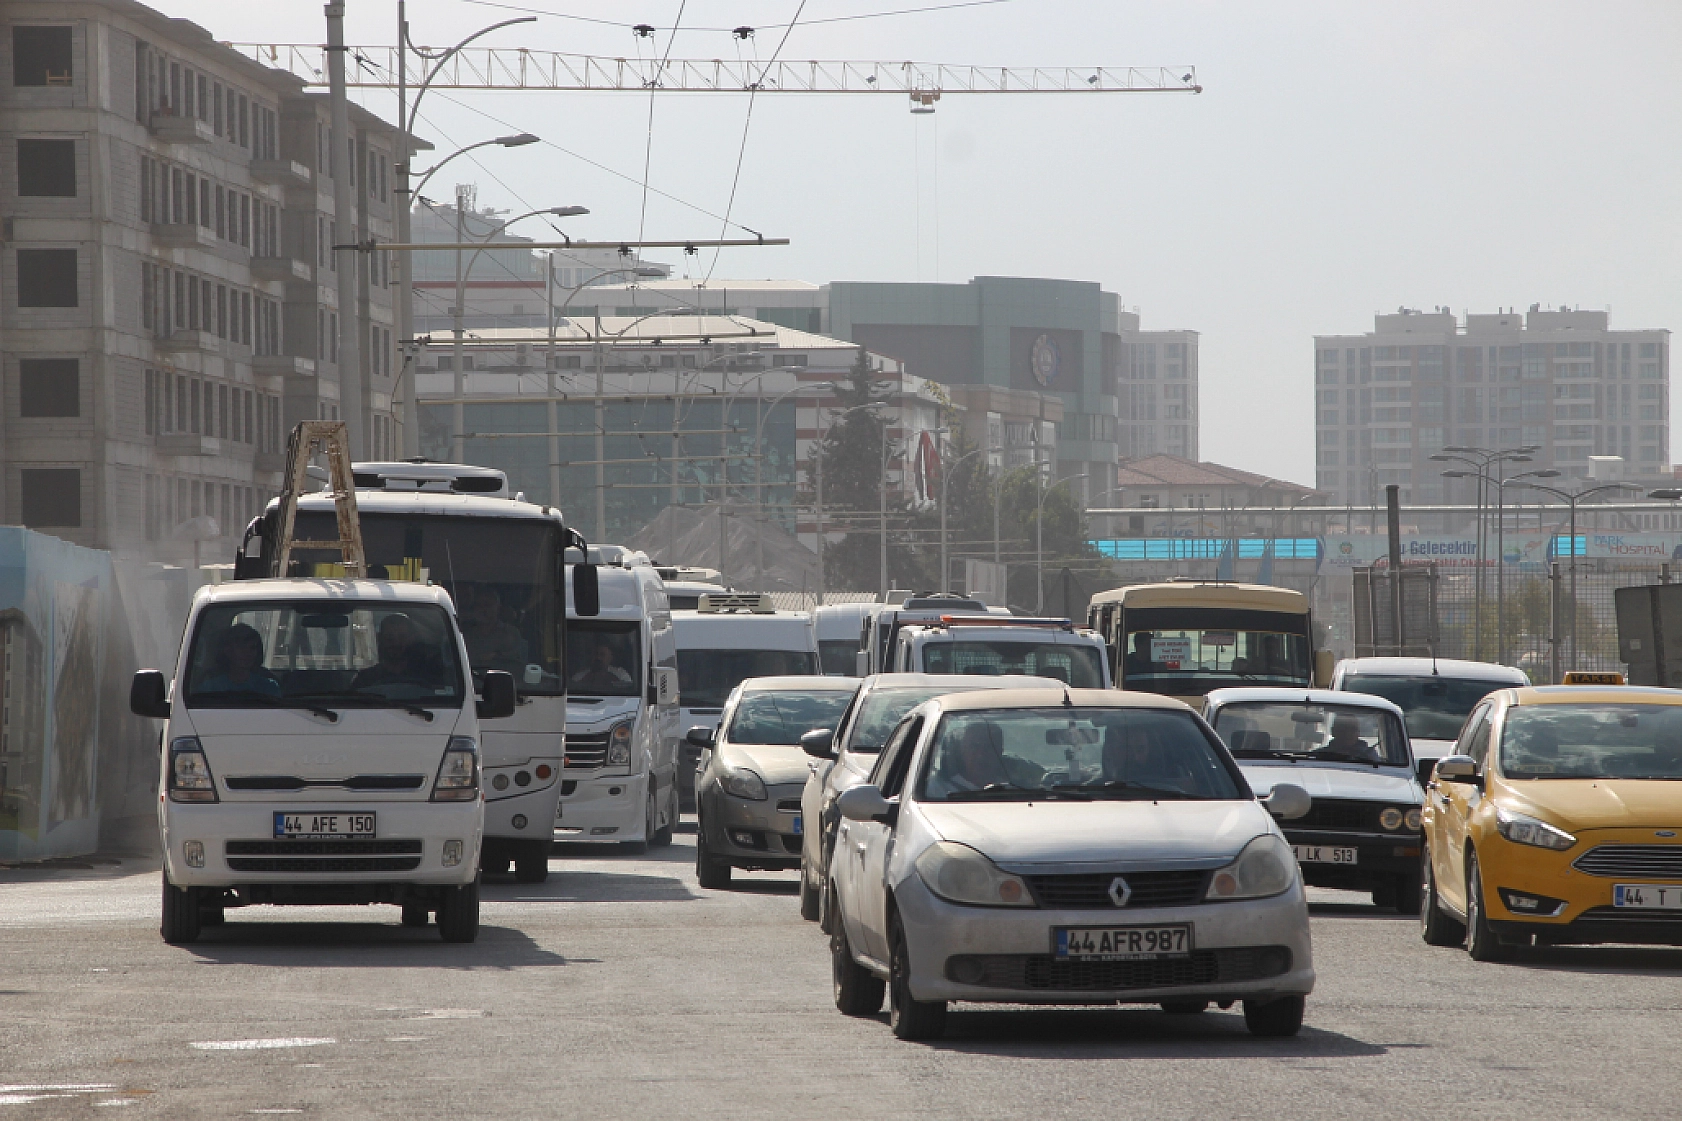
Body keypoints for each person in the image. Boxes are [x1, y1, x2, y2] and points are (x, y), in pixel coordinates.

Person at [353, 614, 437, 690]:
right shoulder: (365, 679)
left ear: (411, 639)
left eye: (402, 637)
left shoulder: (426, 677)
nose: (396, 643)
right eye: (389, 638)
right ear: (380, 639)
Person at [196, 623, 281, 696]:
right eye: (242, 647)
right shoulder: (210, 687)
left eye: (252, 648)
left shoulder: (269, 687)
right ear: (227, 650)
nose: (248, 653)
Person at [459, 585, 527, 673]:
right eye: (479, 605)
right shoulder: (464, 636)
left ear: (498, 608)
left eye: (487, 605)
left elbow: (519, 664)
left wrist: (497, 656)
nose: (483, 610)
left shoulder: (511, 634)